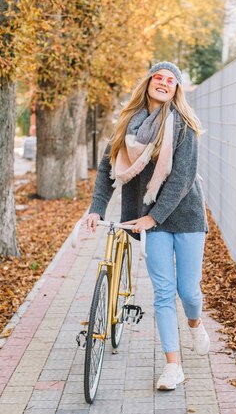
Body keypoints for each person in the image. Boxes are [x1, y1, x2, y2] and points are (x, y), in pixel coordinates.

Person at [85, 61, 210, 391]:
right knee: (164, 293)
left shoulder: (184, 126)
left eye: (172, 80)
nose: (165, 83)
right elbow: (106, 169)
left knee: (189, 292)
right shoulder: (127, 125)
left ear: (177, 90)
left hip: (186, 218)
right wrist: (96, 210)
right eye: (160, 77)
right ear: (149, 82)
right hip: (148, 220)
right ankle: (173, 366)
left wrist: (153, 216)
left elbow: (182, 179)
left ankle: (195, 323)